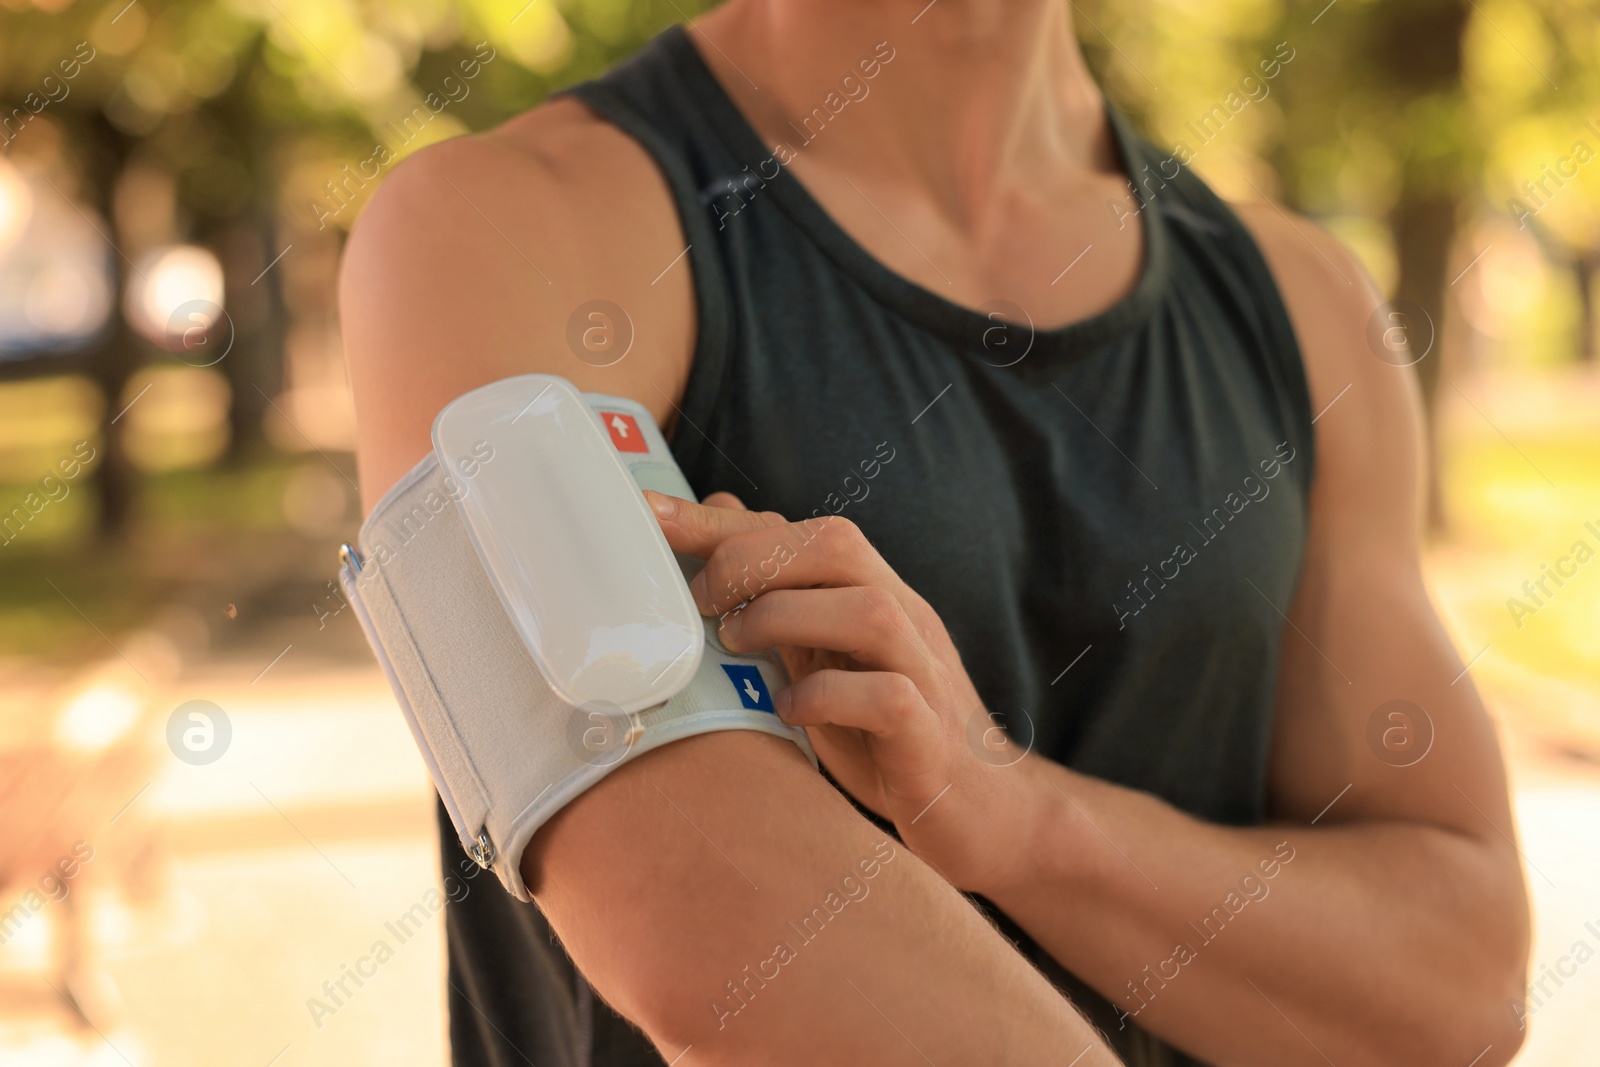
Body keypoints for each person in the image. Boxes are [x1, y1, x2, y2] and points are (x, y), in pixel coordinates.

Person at [337, 1, 1531, 1063]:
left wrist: (1026, 822)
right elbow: (710, 952)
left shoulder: (1307, 308)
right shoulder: (492, 234)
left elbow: (1460, 986)